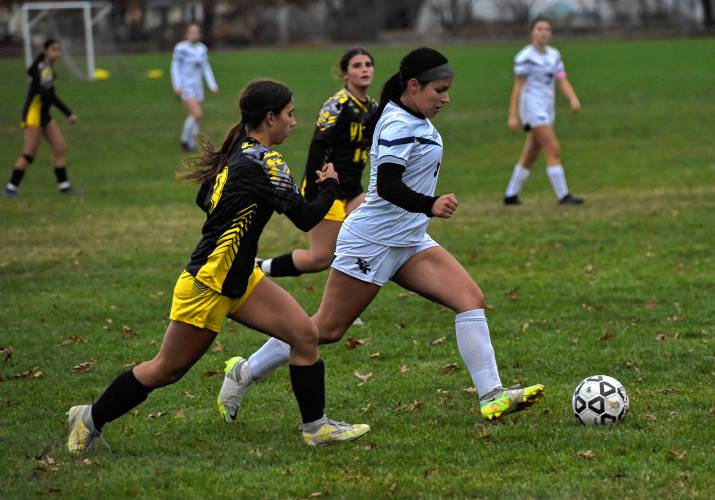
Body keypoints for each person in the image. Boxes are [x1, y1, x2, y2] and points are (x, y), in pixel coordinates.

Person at [218, 48, 545, 425]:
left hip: (408, 239)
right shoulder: (397, 125)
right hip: (372, 241)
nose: (446, 98)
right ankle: (243, 372)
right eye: (439, 90)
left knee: (470, 298)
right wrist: (431, 203)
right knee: (324, 329)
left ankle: (491, 396)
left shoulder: (405, 113)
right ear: (413, 86)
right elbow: (388, 185)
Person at [66, 79, 370, 454]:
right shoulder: (265, 161)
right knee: (166, 370)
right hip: (209, 284)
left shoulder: (240, 153)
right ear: (270, 118)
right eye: (290, 115)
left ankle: (316, 427)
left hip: (240, 278)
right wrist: (329, 186)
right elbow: (307, 219)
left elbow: (204, 198)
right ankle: (89, 418)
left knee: (304, 336)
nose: (294, 122)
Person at [258, 48, 377, 282]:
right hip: (327, 188)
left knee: (360, 246)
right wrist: (314, 190)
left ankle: (344, 305)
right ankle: (261, 267)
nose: (364, 69)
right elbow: (318, 147)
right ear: (344, 73)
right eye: (357, 65)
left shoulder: (372, 108)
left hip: (353, 191)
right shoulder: (337, 106)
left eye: (368, 64)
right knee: (320, 258)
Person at [503, 17, 583, 205]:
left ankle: (510, 195)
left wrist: (572, 98)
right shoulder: (525, 57)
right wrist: (513, 115)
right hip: (532, 108)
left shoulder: (554, 55)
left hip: (547, 108)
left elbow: (561, 78)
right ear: (532, 32)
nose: (543, 32)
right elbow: (517, 87)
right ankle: (563, 196)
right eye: (539, 29)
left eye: (547, 29)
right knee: (553, 147)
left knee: (532, 152)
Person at [5, 39, 78, 198]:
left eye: (58, 50)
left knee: (59, 147)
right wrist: (68, 114)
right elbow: (49, 96)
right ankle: (11, 188)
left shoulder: (47, 68)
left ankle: (64, 187)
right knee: (29, 153)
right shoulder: (44, 70)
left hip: (44, 114)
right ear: (45, 51)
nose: (57, 53)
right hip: (34, 115)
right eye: (53, 49)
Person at [171, 23, 219, 152]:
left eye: (197, 32)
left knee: (194, 116)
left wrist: (212, 84)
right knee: (197, 113)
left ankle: (191, 144)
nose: (195, 34)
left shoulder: (202, 49)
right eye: (192, 32)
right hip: (186, 87)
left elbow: (205, 67)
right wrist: (177, 85)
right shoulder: (181, 48)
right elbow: (175, 67)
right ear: (187, 34)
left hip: (198, 87)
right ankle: (184, 140)